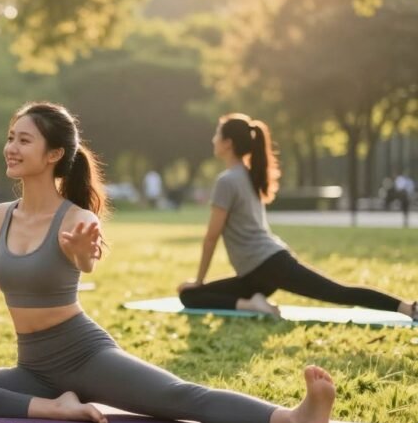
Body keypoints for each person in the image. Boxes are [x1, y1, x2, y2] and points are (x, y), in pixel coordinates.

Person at [0, 102, 337, 423]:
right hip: (33, 371)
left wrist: (82, 255)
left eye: (24, 140)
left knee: (179, 397)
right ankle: (55, 407)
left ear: (54, 154)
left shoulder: (77, 218)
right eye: (11, 137)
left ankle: (296, 420)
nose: (11, 147)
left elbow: (86, 261)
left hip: (86, 356)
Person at [178, 114, 416, 320]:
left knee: (336, 292)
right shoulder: (247, 176)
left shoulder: (227, 181)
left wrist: (200, 279)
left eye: (217, 134)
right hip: (256, 272)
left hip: (268, 264)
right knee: (189, 296)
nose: (213, 139)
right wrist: (196, 284)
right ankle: (252, 303)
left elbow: (211, 237)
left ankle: (407, 307)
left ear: (228, 143)